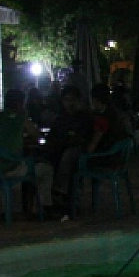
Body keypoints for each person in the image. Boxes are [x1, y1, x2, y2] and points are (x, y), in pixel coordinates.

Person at [40, 85, 93, 213]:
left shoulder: (83, 117)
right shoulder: (60, 118)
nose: (70, 103)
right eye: (67, 100)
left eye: (73, 99)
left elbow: (84, 138)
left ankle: (61, 191)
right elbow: (53, 136)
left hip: (77, 153)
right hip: (59, 150)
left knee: (69, 157)